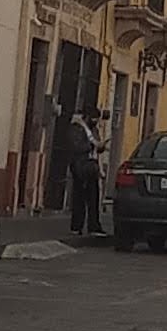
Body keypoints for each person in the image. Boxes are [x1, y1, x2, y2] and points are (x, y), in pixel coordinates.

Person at [60, 100, 104, 239]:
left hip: (92, 166)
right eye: (94, 118)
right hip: (80, 166)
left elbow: (96, 144)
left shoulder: (93, 130)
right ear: (86, 117)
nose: (96, 121)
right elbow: (76, 147)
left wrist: (100, 146)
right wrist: (92, 146)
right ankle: (76, 226)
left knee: (93, 198)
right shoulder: (76, 128)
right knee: (79, 197)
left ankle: (93, 226)